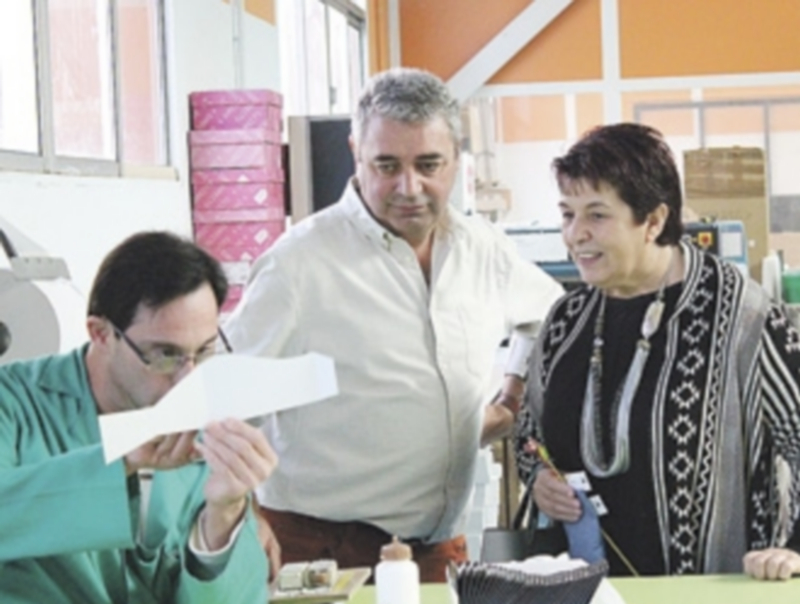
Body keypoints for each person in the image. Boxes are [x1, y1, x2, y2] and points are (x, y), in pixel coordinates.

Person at [224, 67, 564, 582]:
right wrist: (237, 515)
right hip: (318, 553)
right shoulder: (297, 265)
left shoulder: (482, 249)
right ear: (355, 151)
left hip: (437, 552)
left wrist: (511, 399)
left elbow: (551, 318)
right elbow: (226, 403)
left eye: (429, 164)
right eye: (386, 165)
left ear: (457, 156)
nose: (409, 187)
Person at [514, 123, 800, 580]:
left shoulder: (746, 319)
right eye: (568, 214)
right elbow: (530, 438)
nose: (575, 234)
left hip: (710, 591)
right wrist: (539, 479)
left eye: (597, 215)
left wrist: (793, 549)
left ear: (653, 220)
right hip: (586, 591)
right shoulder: (565, 322)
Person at [0, 232, 277, 603]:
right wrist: (121, 461)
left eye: (205, 351)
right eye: (165, 354)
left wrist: (224, 515)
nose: (187, 378)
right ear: (101, 334)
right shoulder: (12, 403)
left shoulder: (202, 433)